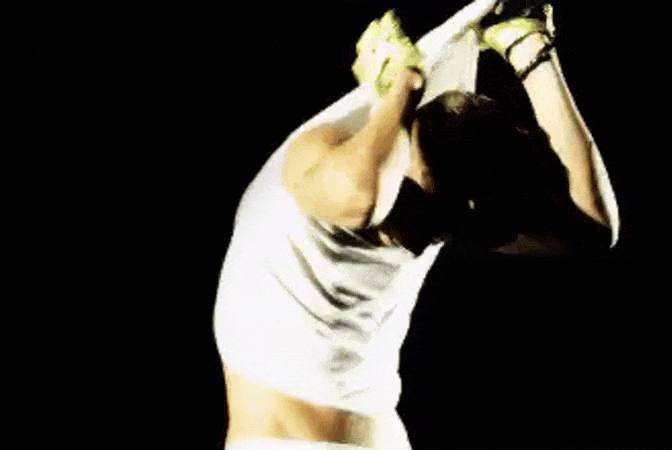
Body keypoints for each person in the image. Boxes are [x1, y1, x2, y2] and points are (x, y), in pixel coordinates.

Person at [213, 2, 619, 449]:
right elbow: (361, 196)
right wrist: (405, 88)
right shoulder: (322, 166)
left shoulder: (446, 203)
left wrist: (530, 50)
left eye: (440, 221)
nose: (419, 236)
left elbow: (592, 229)